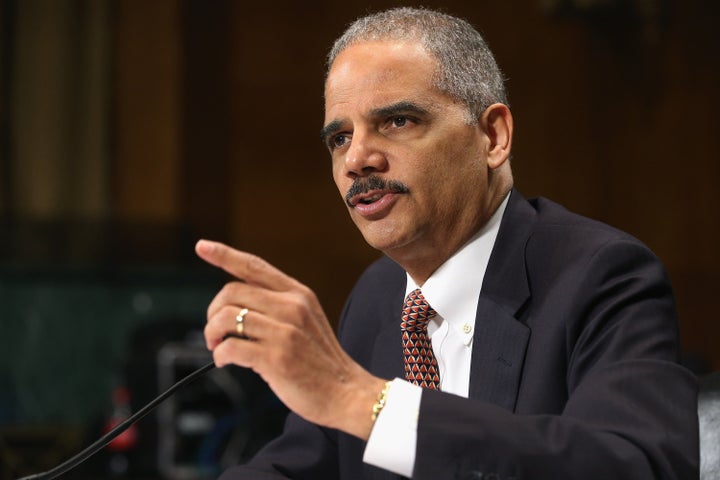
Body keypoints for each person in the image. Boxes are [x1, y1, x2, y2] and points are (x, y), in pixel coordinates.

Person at [195, 7, 698, 480]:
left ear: (493, 136)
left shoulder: (603, 276)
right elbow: (298, 465)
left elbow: (634, 466)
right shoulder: (377, 296)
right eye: (340, 138)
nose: (358, 160)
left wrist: (364, 403)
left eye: (397, 121)